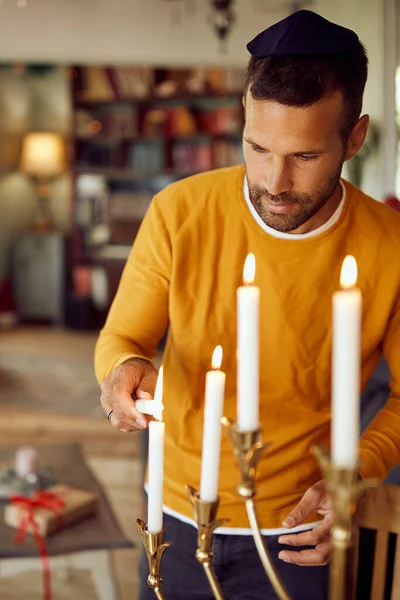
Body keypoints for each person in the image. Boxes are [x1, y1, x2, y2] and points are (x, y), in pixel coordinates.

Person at [95, 9, 400, 600]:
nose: (274, 181)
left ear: (355, 137)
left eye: (305, 157)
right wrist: (120, 374)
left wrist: (356, 475)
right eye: (257, 147)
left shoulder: (389, 246)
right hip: (175, 521)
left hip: (303, 534)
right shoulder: (178, 211)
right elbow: (121, 340)